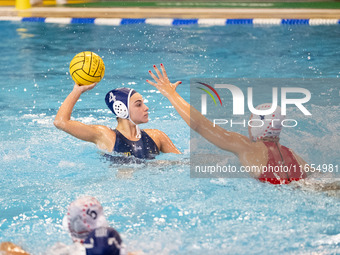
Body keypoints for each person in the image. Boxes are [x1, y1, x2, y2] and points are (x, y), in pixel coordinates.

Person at [146, 64, 310, 185]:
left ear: (256, 124)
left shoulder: (246, 146)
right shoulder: (295, 157)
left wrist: (171, 94)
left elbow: (200, 125)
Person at [54, 83, 181, 160]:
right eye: (138, 104)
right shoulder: (105, 135)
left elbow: (183, 162)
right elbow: (60, 122)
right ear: (121, 109)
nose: (146, 107)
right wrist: (77, 91)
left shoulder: (157, 136)